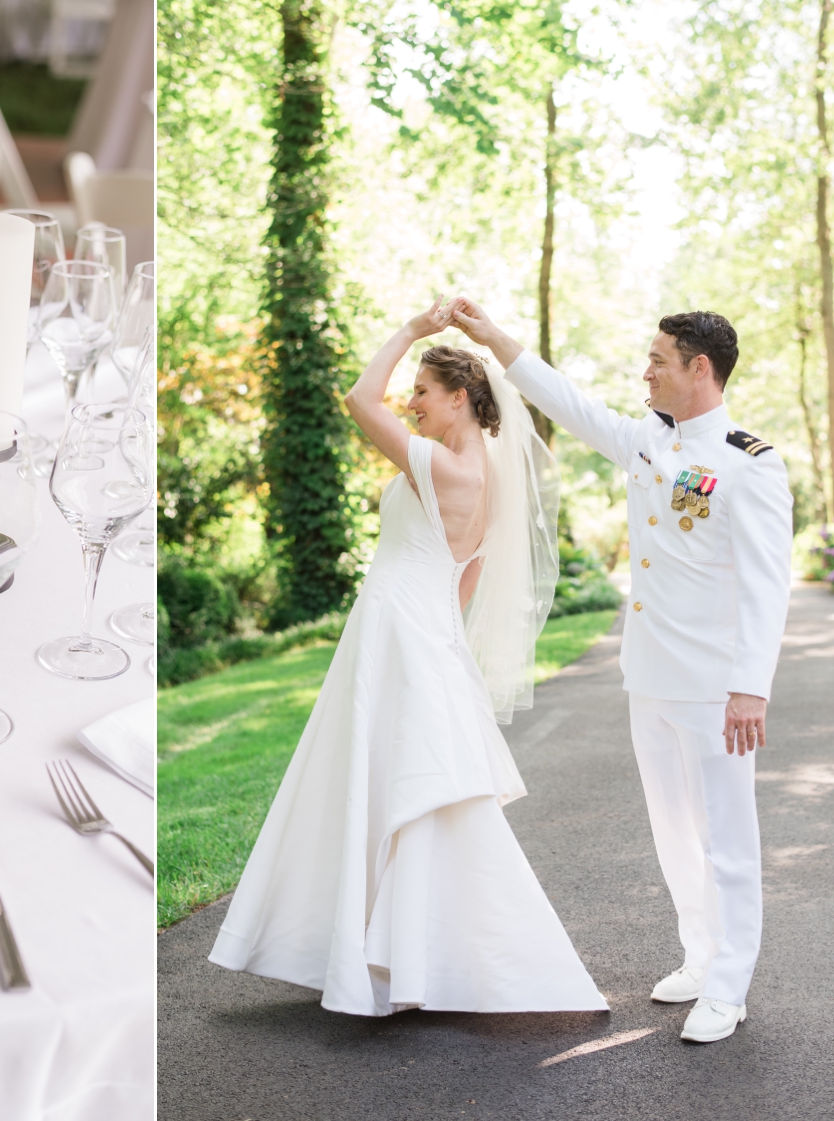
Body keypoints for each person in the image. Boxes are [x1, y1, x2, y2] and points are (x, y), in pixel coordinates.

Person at [208, 299, 607, 1017]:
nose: (410, 402)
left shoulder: (445, 469)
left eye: (422, 391)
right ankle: (401, 954)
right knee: (403, 782)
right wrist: (444, 638)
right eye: (412, 391)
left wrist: (411, 331)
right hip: (417, 628)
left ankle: (406, 957)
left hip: (397, 627)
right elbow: (471, 572)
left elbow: (360, 400)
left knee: (392, 780)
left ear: (459, 398)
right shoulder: (480, 474)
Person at [450, 299, 792, 1043]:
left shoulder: (748, 463)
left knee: (728, 838)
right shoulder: (644, 441)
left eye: (658, 361)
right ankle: (700, 957)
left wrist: (750, 687)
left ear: (699, 369)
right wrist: (493, 338)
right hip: (650, 678)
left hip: (714, 687)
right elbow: (566, 402)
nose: (646, 371)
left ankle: (729, 987)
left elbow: (769, 585)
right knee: (673, 832)